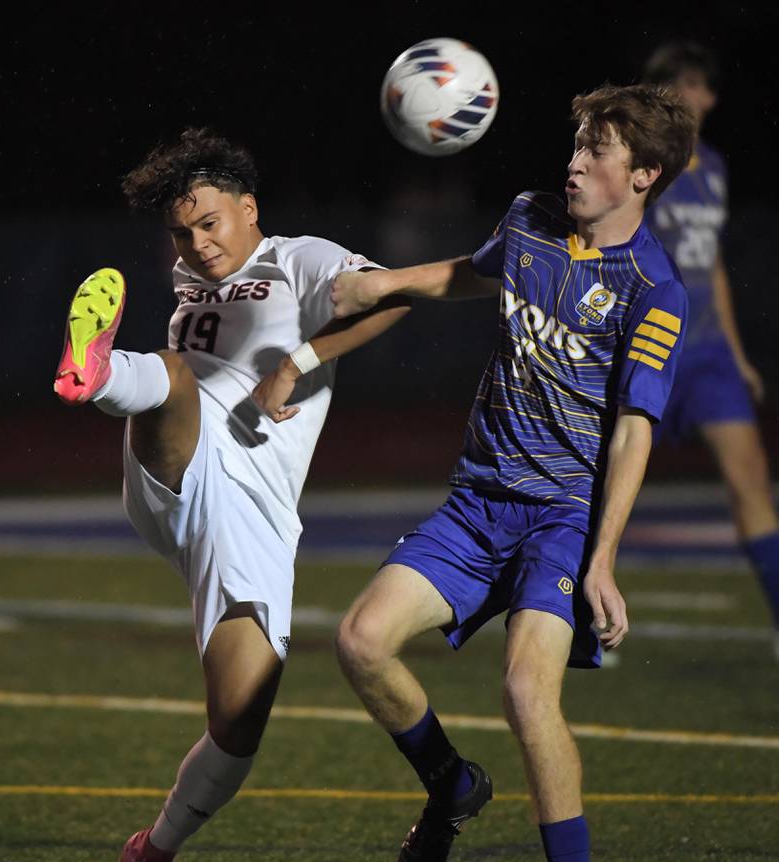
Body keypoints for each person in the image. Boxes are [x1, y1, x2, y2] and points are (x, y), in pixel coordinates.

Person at [325, 85, 695, 861]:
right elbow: (476, 272)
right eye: (578, 145)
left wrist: (604, 559)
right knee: (361, 641)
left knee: (528, 694)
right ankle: (452, 784)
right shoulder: (530, 217)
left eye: (598, 152)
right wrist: (386, 283)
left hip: (560, 519)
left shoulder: (653, 291)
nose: (575, 163)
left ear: (644, 175)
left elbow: (633, 433)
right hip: (475, 506)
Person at [53, 127, 409, 861]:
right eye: (181, 234)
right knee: (175, 377)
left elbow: (395, 297)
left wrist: (301, 359)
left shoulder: (298, 258)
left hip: (251, 514)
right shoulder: (191, 277)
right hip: (184, 452)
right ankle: (98, 373)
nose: (197, 245)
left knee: (239, 723)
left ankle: (156, 847)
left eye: (208, 224)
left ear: (250, 208)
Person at [643, 42, 779, 653]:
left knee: (751, 479)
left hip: (708, 356)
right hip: (650, 348)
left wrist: (737, 352)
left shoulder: (716, 167)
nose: (688, 97)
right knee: (600, 486)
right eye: (676, 86)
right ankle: (567, 612)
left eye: (698, 86)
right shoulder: (643, 164)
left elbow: (714, 265)